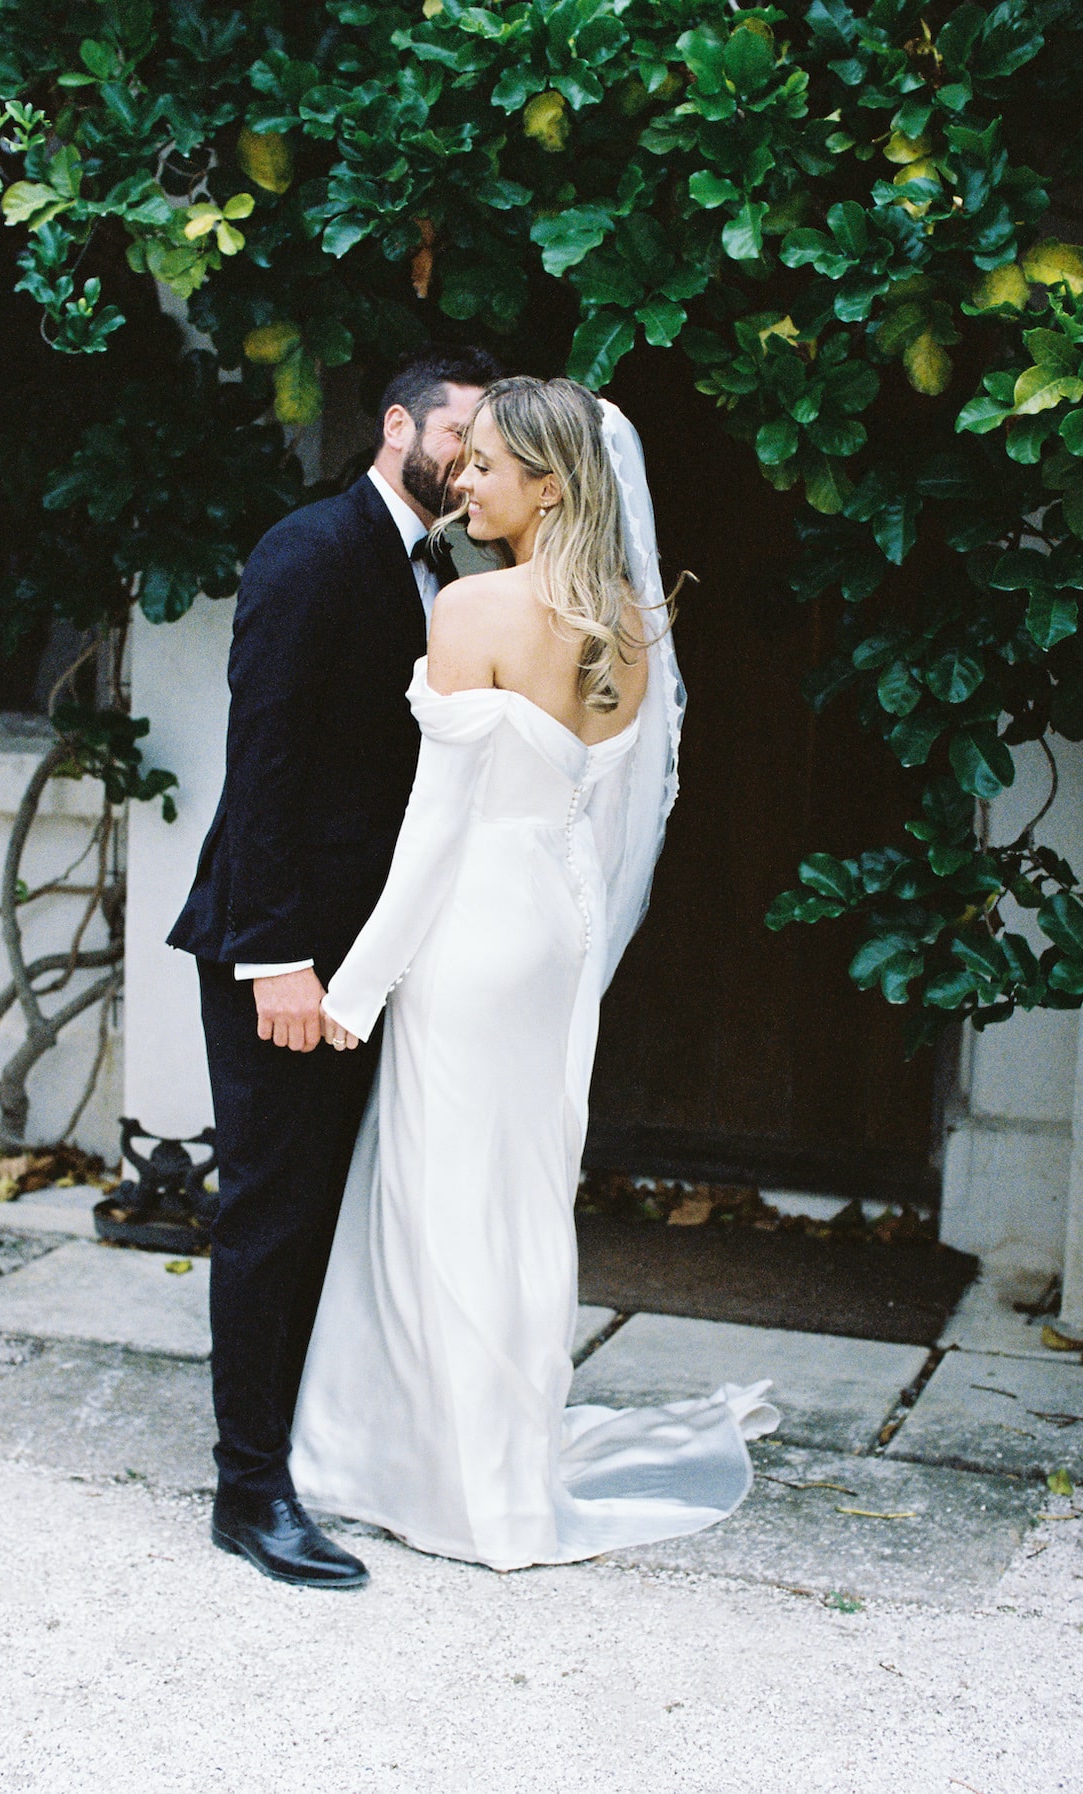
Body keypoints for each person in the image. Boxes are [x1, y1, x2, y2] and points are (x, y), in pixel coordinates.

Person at [292, 376, 778, 1572]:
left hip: (470, 931)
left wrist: (356, 984)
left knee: (434, 1194)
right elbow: (606, 817)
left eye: (490, 465)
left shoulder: (472, 610)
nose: (466, 479)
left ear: (551, 486)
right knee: (516, 1191)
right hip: (553, 937)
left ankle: (433, 1476)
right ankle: (502, 1462)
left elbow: (435, 830)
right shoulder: (629, 618)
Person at [168, 345, 503, 1589]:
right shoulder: (311, 550)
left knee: (328, 1212)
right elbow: (261, 764)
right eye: (463, 434)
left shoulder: (441, 571)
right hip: (289, 953)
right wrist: (277, 962)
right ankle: (248, 1494)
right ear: (400, 422)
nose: (474, 462)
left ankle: (305, 1446)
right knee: (274, 1210)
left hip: (370, 956)